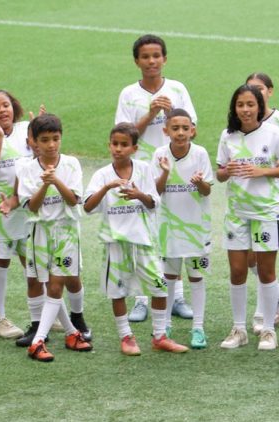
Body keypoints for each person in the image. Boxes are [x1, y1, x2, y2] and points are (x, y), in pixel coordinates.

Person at [84, 123, 189, 356]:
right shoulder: (102, 175)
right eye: (114, 144)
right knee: (118, 292)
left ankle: (160, 336)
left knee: (160, 287)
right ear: (109, 145)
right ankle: (126, 337)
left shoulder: (143, 169)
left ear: (134, 148)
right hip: (115, 243)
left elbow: (153, 202)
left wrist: (138, 194)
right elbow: (88, 207)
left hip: (143, 241)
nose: (118, 149)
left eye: (124, 145)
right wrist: (106, 188)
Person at [115, 34, 198, 324]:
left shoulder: (177, 88)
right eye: (145, 57)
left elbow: (192, 128)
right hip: (140, 172)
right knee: (143, 234)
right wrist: (151, 113)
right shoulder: (128, 94)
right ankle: (141, 299)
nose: (151, 61)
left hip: (173, 171)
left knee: (173, 230)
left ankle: (177, 297)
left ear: (164, 58)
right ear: (136, 61)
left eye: (156, 56)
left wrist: (172, 115)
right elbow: (125, 137)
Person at [216, 84, 279, 351]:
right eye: (240, 105)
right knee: (238, 270)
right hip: (237, 212)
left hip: (266, 211)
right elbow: (219, 174)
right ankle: (239, 329)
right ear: (234, 108)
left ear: (259, 107)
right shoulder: (227, 136)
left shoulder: (273, 133)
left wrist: (263, 172)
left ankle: (268, 330)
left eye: (250, 104)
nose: (245, 110)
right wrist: (227, 171)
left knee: (265, 271)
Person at [15, 114, 92, 361]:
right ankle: (71, 333)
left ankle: (37, 341)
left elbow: (73, 199)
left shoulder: (71, 164)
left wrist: (55, 180)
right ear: (35, 142)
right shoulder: (26, 169)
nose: (51, 145)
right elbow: (32, 207)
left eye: (55, 139)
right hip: (39, 232)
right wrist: (45, 185)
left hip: (66, 230)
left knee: (57, 285)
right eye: (45, 140)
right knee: (48, 285)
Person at [0, 89, 41, 339]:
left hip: (27, 208)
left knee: (32, 261)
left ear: (14, 107)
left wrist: (39, 135)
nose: (2, 110)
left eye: (5, 105)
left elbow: (42, 157)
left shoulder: (26, 129)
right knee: (0, 261)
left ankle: (42, 314)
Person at [151, 109, 214, 349]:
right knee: (168, 276)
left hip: (196, 228)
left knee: (196, 276)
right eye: (175, 128)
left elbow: (207, 190)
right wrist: (165, 173)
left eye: (185, 128)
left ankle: (198, 327)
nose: (180, 133)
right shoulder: (159, 154)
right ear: (165, 130)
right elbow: (155, 191)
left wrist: (200, 183)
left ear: (192, 131)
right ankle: (165, 325)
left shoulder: (200, 154)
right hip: (168, 228)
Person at [244, 72, 279, 335]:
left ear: (270, 91)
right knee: (249, 257)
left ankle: (261, 312)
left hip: (274, 198)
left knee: (264, 254)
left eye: (260, 88)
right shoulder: (243, 121)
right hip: (248, 198)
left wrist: (267, 172)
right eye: (251, 88)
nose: (256, 92)